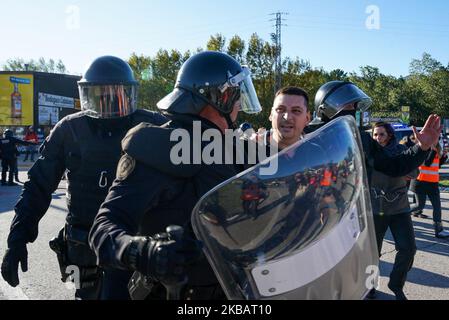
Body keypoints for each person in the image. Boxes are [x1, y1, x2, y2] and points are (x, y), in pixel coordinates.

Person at [88, 51, 262, 300]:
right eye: (236, 98)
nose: (238, 107)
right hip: (176, 294)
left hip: (234, 290)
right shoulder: (159, 147)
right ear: (222, 97)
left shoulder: (232, 147)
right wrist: (144, 252)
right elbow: (103, 229)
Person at [0, 56, 168, 300]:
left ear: (130, 95)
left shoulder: (154, 125)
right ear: (87, 96)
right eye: (100, 96)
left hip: (136, 247)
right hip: (84, 248)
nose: (109, 103)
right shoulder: (69, 129)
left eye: (116, 96)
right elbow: (38, 186)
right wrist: (17, 239)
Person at [307, 81, 442, 300]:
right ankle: (367, 286)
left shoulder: (361, 138)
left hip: (377, 210)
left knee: (400, 250)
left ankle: (393, 286)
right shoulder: (305, 136)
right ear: (326, 108)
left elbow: (394, 165)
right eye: (345, 107)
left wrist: (421, 148)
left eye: (353, 108)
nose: (351, 112)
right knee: (366, 256)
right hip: (317, 220)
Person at [370, 122, 417, 300]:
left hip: (399, 208)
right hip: (375, 208)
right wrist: (397, 172)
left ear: (389, 135)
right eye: (375, 135)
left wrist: (398, 170)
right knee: (373, 252)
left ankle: (396, 284)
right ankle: (370, 286)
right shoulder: (370, 153)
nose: (378, 138)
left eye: (381, 134)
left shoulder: (400, 151)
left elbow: (413, 172)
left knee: (408, 248)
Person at [410, 143, 449, 238]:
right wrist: (433, 150)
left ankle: (439, 230)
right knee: (419, 205)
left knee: (437, 206)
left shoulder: (435, 150)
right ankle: (401, 213)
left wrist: (444, 156)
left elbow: (436, 165)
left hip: (433, 183)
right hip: (420, 183)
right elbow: (427, 163)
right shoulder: (422, 149)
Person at [257, 86, 311, 151]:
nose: (287, 117)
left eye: (296, 111)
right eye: (280, 109)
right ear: (271, 114)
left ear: (307, 118)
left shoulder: (316, 153)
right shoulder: (248, 151)